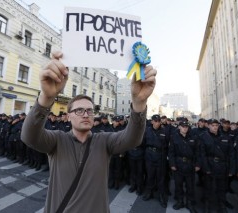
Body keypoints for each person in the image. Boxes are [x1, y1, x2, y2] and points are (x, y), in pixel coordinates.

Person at [21, 51, 157, 213]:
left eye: (89, 111)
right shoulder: (57, 140)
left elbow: (132, 139)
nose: (85, 114)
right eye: (79, 110)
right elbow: (29, 137)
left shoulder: (104, 141)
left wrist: (139, 103)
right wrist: (46, 97)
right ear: (69, 116)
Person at [168, 120, 199, 213]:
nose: (185, 128)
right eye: (183, 126)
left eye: (186, 127)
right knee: (178, 185)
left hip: (190, 165)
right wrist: (172, 164)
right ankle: (180, 201)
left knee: (190, 186)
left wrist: (197, 164)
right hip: (178, 164)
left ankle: (190, 203)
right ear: (179, 127)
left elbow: (198, 152)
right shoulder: (174, 137)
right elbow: (171, 152)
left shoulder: (193, 137)